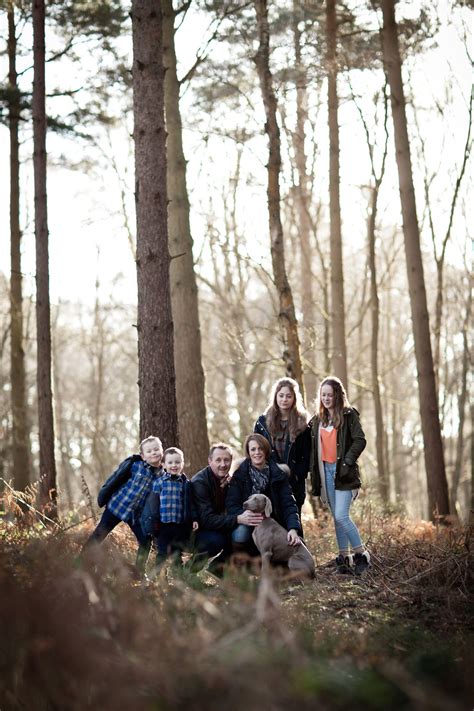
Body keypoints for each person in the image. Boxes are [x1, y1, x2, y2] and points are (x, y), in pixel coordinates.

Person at [310, 376, 370, 576]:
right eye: (323, 395)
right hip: (325, 472)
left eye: (330, 394)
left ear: (338, 395)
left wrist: (347, 462)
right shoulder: (317, 420)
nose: (327, 398)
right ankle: (344, 560)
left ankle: (362, 555)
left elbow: (360, 440)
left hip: (343, 473)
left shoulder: (349, 414)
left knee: (342, 516)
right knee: (337, 518)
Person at [83, 436, 164, 572]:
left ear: (162, 451)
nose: (153, 453)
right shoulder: (135, 465)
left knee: (145, 542)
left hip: (136, 516)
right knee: (99, 533)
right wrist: (105, 496)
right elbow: (117, 477)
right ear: (143, 456)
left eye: (156, 449)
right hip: (117, 506)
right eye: (149, 451)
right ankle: (83, 561)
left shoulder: (163, 475)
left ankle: (139, 572)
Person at [226, 433, 301, 554]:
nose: (257, 452)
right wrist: (243, 515)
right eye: (253, 449)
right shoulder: (240, 475)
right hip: (248, 521)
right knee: (240, 534)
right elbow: (231, 504)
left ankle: (274, 563)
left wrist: (293, 528)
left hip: (273, 522)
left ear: (266, 450)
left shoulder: (278, 474)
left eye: (260, 448)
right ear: (248, 452)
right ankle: (242, 565)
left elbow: (289, 504)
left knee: (291, 542)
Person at [191, 443, 261, 570]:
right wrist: (238, 519)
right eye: (218, 460)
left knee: (244, 533)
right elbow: (206, 520)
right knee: (218, 540)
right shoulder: (200, 483)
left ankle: (218, 569)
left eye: (226, 460)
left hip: (214, 526)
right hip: (195, 531)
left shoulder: (227, 481)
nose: (223, 464)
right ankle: (189, 571)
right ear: (209, 461)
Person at [254, 377, 311, 517]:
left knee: (293, 522)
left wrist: (297, 475)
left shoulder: (303, 423)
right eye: (281, 395)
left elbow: (307, 454)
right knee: (272, 523)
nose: (284, 399)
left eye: (288, 396)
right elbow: (256, 450)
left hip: (294, 483)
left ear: (294, 398)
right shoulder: (262, 422)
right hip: (270, 480)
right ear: (275, 397)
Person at [141, 447, 198, 565]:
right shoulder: (159, 482)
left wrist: (194, 518)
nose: (174, 465)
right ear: (164, 465)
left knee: (177, 552)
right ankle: (158, 576)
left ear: (182, 464)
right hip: (163, 526)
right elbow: (153, 504)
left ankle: (178, 578)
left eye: (177, 462)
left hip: (179, 526)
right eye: (170, 462)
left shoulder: (185, 484)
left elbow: (190, 504)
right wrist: (152, 523)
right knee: (162, 552)